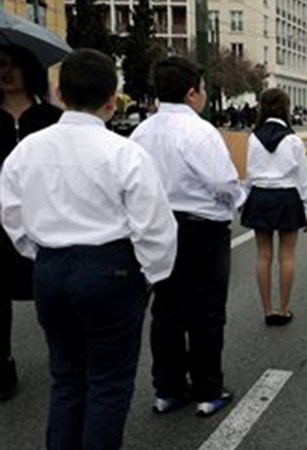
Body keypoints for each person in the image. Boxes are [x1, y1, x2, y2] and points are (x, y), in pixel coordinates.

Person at [0, 48, 177, 449]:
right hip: (109, 268)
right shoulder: (125, 152)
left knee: (65, 379)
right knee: (108, 384)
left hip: (49, 267)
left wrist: (39, 253)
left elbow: (11, 214)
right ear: (112, 100)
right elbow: (154, 226)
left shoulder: (25, 151)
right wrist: (149, 274)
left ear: (59, 93)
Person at [130, 57, 245, 417]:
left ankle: (167, 389)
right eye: (204, 89)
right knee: (206, 311)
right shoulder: (199, 131)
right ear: (192, 92)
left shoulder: (140, 133)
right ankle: (208, 389)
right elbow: (224, 183)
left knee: (165, 310)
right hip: (201, 229)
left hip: (157, 227)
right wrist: (236, 200)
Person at [0, 45, 62, 400]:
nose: (5, 72)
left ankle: (63, 356)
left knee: (49, 293)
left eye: (11, 65)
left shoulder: (49, 118)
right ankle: (3, 363)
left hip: (44, 220)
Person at [241, 88, 307, 327]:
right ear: (285, 108)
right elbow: (303, 178)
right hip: (286, 197)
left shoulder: (252, 139)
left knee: (263, 255)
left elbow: (247, 176)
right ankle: (284, 309)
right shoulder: (293, 140)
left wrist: (242, 202)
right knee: (287, 256)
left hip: (260, 196)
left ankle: (267, 309)